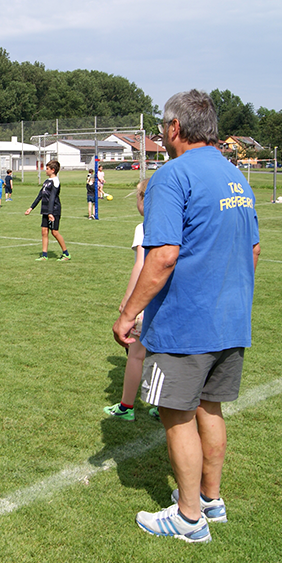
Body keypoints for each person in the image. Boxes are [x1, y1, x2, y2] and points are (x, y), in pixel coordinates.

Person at [113, 90, 260, 544]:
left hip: (185, 324)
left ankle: (189, 517)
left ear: (175, 128)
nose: (161, 131)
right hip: (230, 319)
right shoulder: (236, 176)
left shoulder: (170, 176)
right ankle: (211, 501)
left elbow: (162, 257)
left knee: (176, 414)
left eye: (162, 124)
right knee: (210, 408)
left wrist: (128, 313)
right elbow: (252, 250)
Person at [104, 178, 157, 421]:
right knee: (164, 355)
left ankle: (126, 407)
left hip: (147, 300)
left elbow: (141, 266)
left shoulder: (144, 227)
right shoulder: (179, 224)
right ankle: (162, 405)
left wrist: (128, 302)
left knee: (136, 354)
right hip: (171, 301)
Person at [24, 160, 69, 261]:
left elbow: (52, 197)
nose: (45, 170)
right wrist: (31, 208)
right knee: (44, 232)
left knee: (55, 232)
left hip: (54, 210)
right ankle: (44, 255)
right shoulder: (46, 181)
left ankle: (66, 254)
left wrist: (50, 213)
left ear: (53, 170)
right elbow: (40, 195)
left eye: (47, 168)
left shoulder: (56, 182)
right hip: (45, 210)